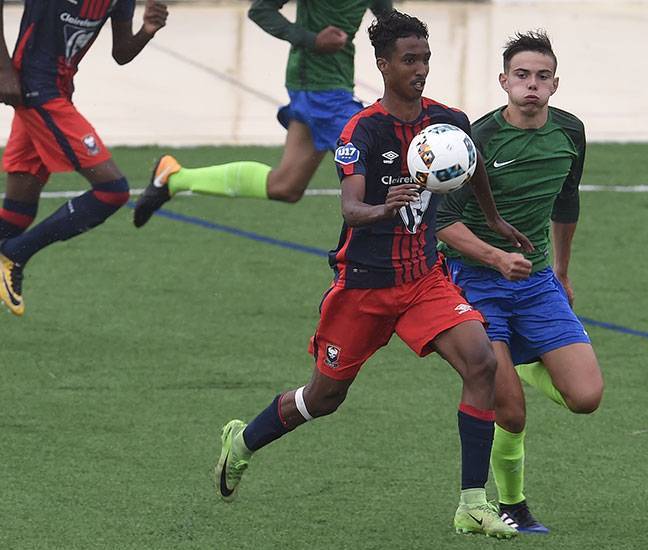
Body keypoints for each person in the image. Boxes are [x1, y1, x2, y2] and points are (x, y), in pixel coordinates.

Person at [212, 11, 534, 539]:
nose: (420, 69)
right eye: (409, 60)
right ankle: (242, 441)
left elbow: (470, 166)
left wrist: (495, 221)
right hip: (362, 286)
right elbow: (351, 209)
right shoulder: (361, 130)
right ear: (382, 65)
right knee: (324, 399)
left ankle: (472, 504)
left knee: (481, 363)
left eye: (425, 58)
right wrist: (386, 207)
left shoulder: (448, 120)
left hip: (425, 280)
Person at [436, 31, 605, 534]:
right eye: (523, 75)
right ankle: (513, 504)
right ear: (504, 81)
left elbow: (567, 202)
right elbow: (443, 222)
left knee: (586, 398)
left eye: (543, 76)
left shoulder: (570, 132)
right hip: (475, 279)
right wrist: (495, 255)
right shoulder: (480, 140)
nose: (532, 85)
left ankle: (526, 362)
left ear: (555, 84)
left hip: (535, 283)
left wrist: (563, 270)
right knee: (509, 410)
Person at [132, 0, 393, 228]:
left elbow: (390, 24)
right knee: (381, 165)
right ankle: (409, 259)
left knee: (286, 186)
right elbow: (261, 10)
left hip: (335, 87)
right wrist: (312, 40)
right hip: (317, 90)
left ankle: (174, 177)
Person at [0, 0, 168, 316]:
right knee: (112, 190)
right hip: (37, 90)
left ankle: (11, 247)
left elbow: (122, 53)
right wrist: (3, 67)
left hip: (57, 92)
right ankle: (15, 253)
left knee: (17, 213)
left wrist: (147, 30)